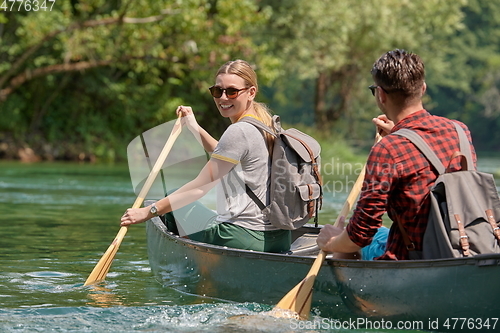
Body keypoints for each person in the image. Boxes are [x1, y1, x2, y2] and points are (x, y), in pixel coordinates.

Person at [317, 49, 477, 260]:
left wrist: (331, 241)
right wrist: (399, 134)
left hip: (413, 258)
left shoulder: (388, 150)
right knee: (376, 233)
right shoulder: (460, 131)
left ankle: (349, 291)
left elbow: (360, 235)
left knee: (343, 244)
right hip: (464, 246)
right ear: (423, 88)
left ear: (381, 95)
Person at [120, 59, 291, 253]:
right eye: (217, 91)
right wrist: (193, 127)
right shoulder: (266, 125)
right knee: (175, 202)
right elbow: (225, 154)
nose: (223, 98)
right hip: (279, 240)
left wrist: (148, 211)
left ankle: (196, 265)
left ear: (251, 92)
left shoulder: (239, 131)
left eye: (232, 91)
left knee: (170, 201)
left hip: (243, 236)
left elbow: (200, 187)